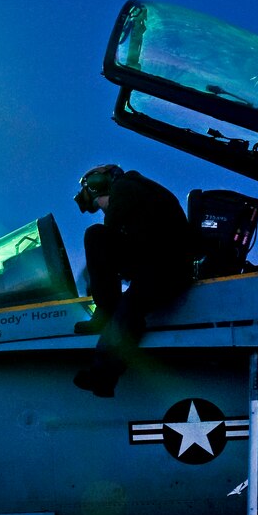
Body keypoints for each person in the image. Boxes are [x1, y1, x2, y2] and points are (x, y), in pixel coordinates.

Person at [71, 164, 194, 397]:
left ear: (99, 182)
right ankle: (103, 378)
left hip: (164, 268)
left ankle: (104, 321)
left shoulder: (126, 188)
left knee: (96, 236)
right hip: (160, 265)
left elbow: (110, 238)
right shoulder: (142, 190)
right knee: (129, 309)